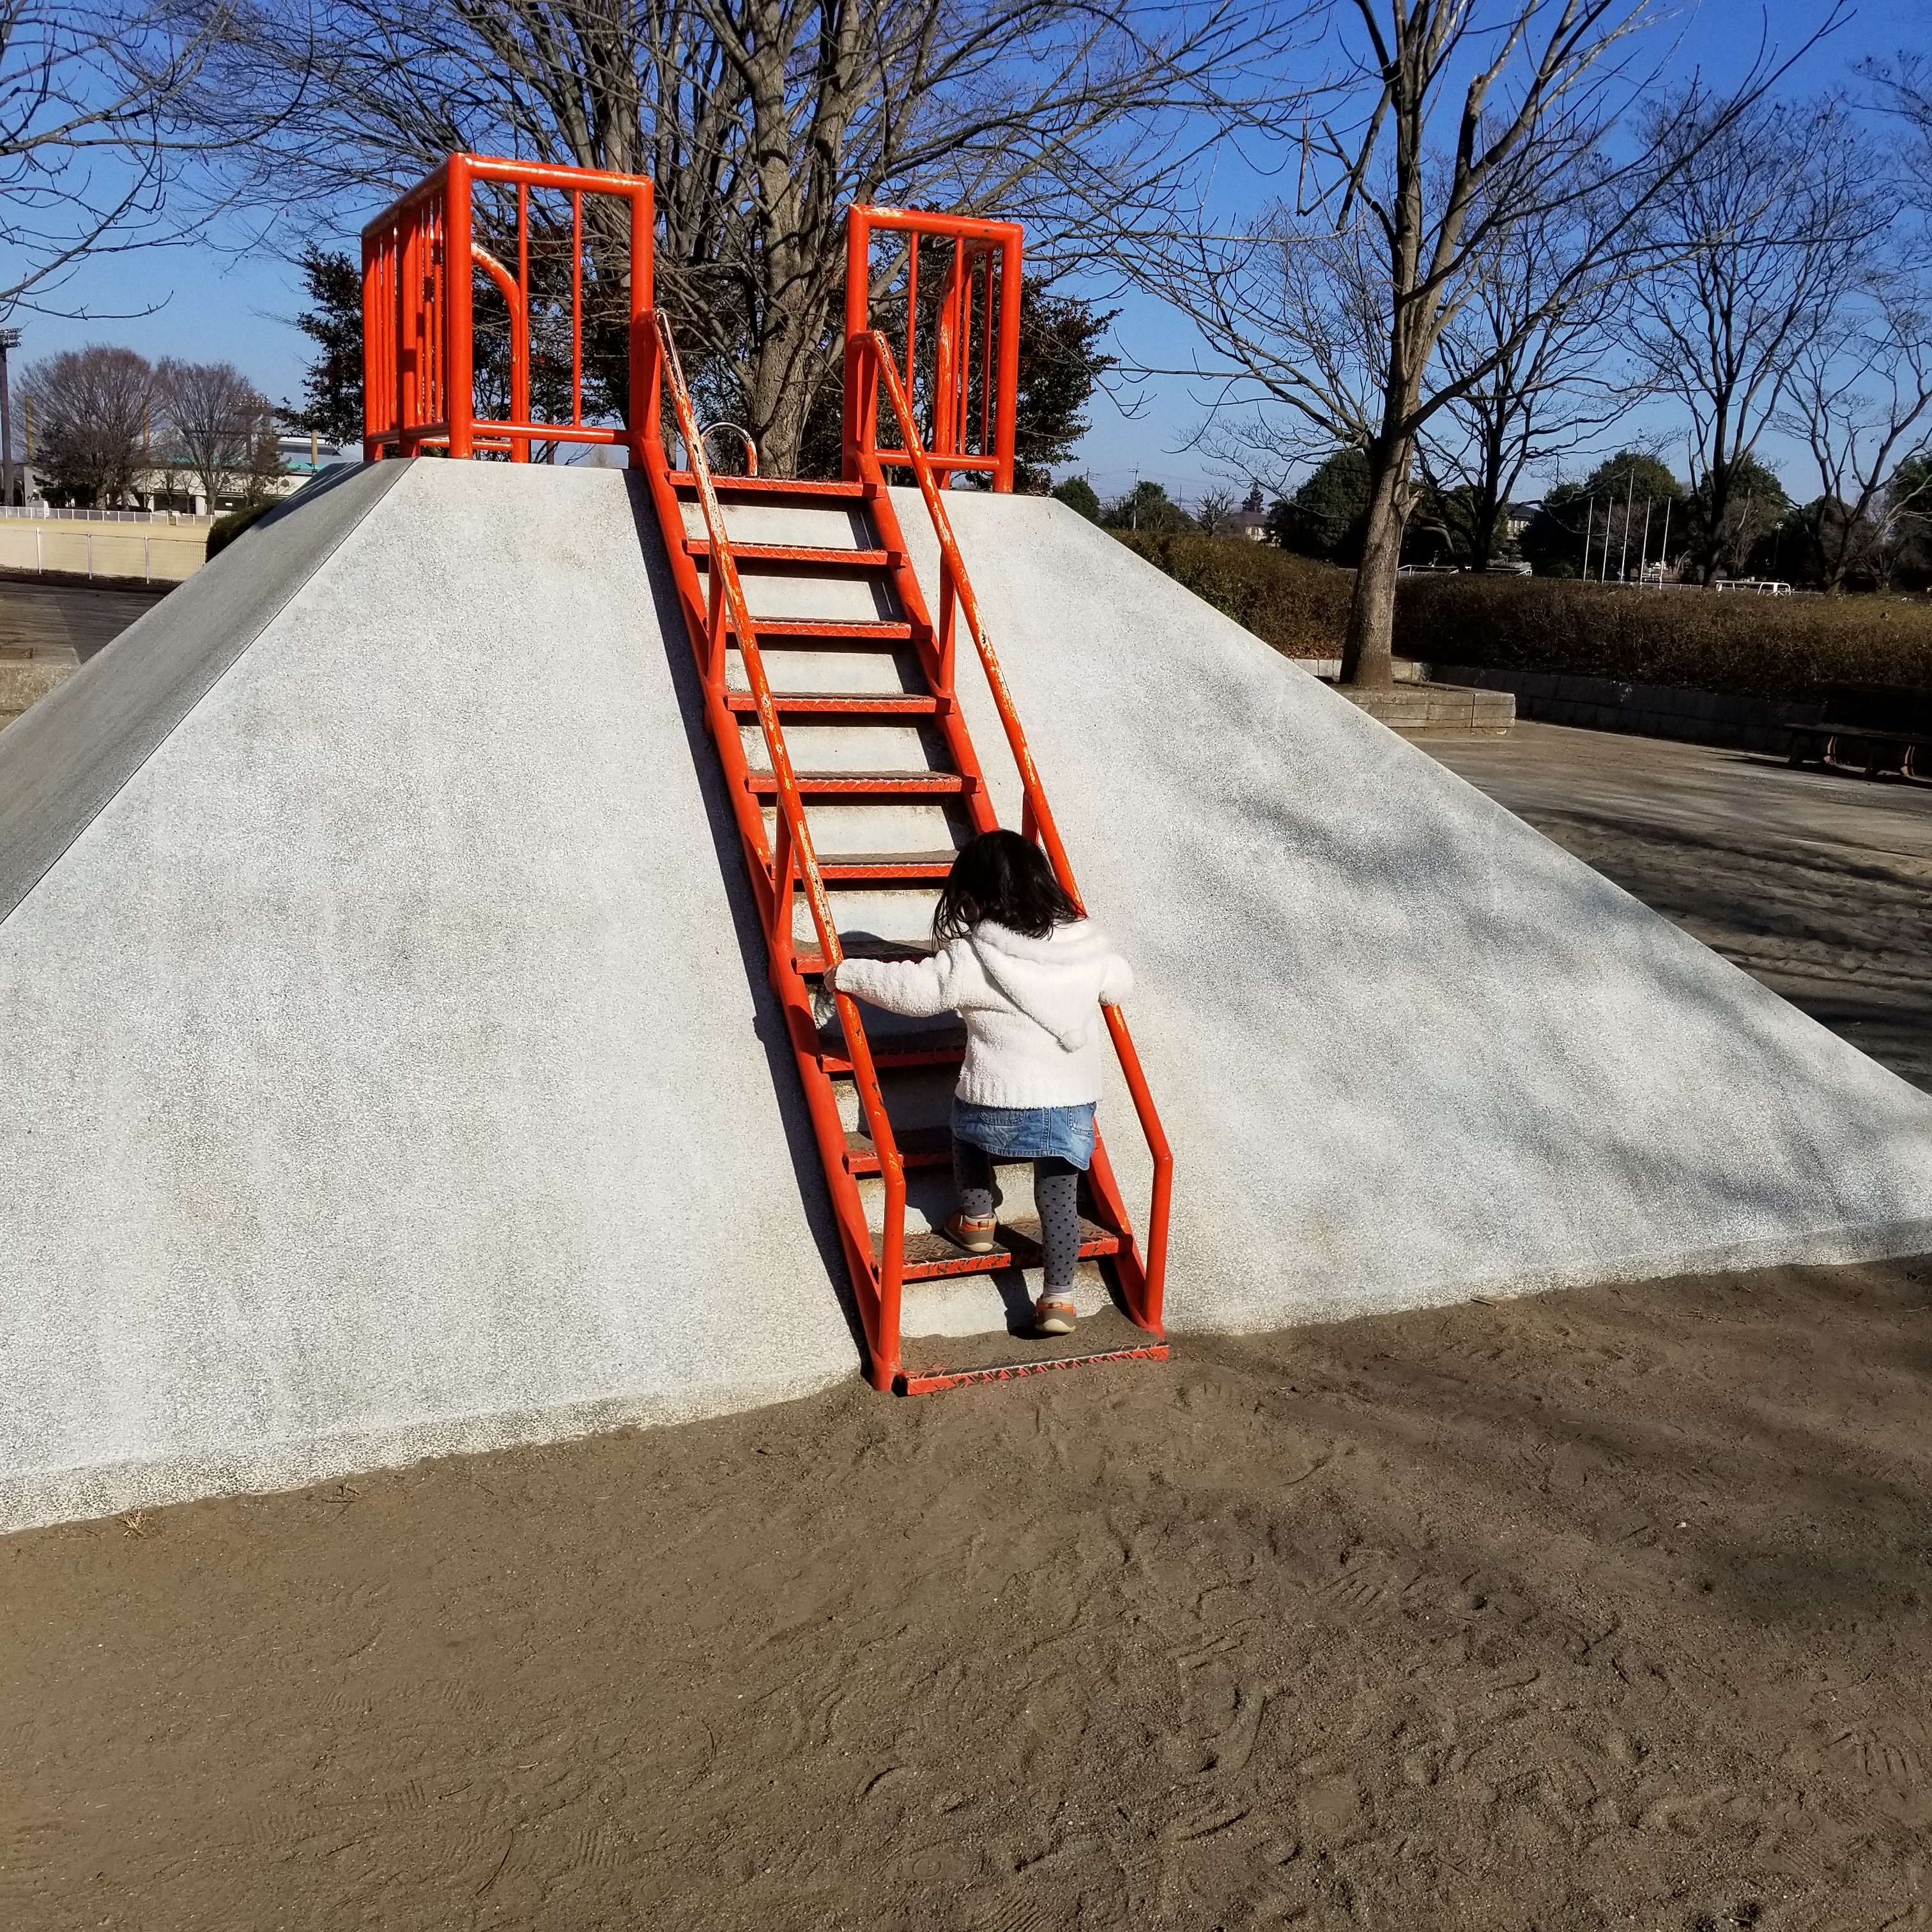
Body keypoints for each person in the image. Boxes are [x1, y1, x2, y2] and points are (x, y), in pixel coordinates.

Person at [828, 828, 1133, 1337]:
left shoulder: (972, 957)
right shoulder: (1088, 947)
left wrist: (850, 974)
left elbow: (917, 994)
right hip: (1070, 1103)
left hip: (996, 1099)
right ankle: (1059, 1300)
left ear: (973, 897)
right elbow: (1119, 982)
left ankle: (976, 1219)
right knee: (1057, 1199)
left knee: (964, 1132)